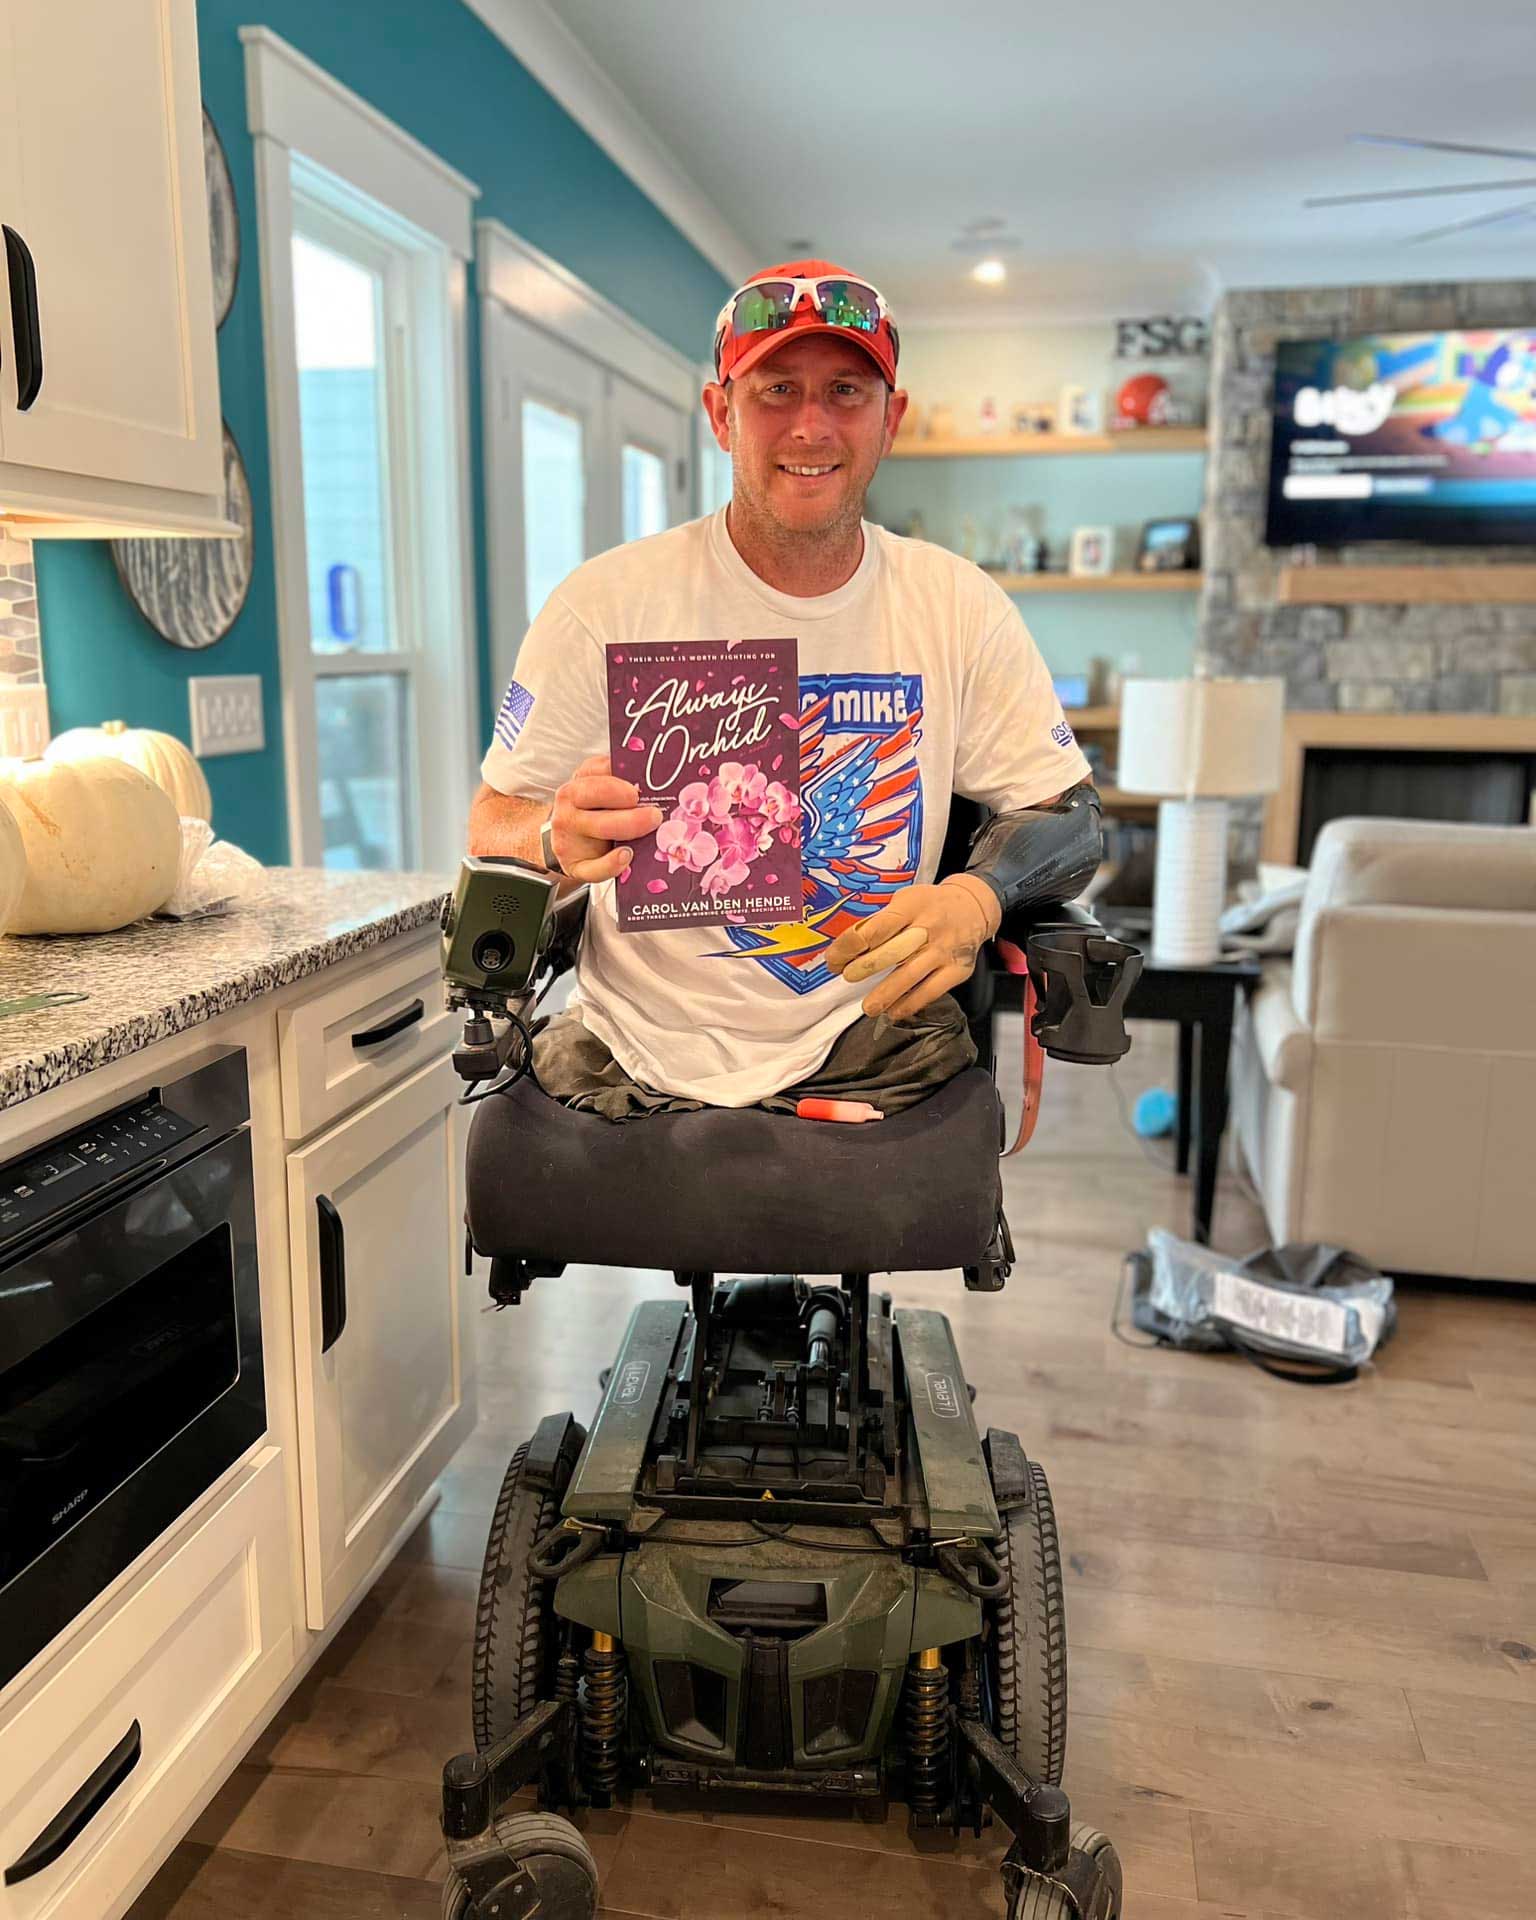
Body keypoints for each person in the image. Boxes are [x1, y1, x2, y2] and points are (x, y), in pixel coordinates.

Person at [468, 260, 1092, 1120]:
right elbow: (492, 819)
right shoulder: (604, 604)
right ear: (720, 414)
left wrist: (977, 899)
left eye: (845, 391)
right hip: (634, 1044)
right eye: (776, 391)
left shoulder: (958, 606)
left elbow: (1071, 814)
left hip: (872, 1037)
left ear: (890, 420)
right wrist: (551, 834)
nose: (811, 425)